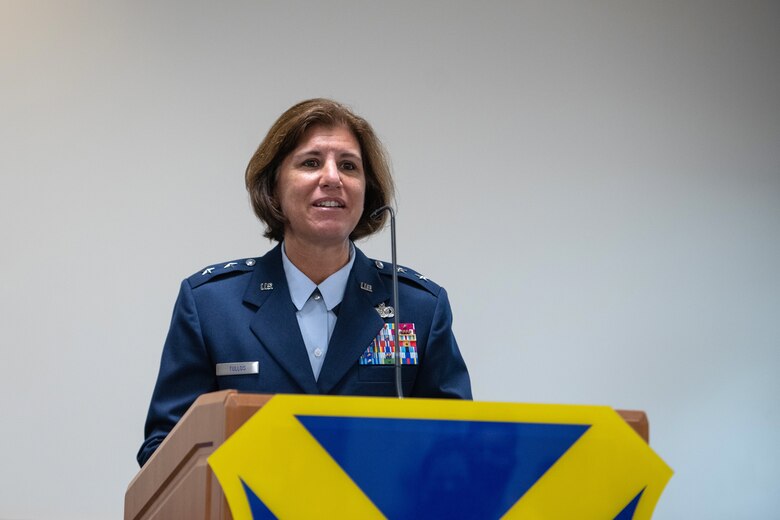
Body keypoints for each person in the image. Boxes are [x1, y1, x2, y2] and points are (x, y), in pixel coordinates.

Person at [137, 99, 472, 466]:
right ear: (274, 186)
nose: (332, 178)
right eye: (311, 163)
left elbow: (457, 449)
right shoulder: (211, 306)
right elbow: (164, 451)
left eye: (348, 166)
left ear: (367, 192)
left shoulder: (419, 308)